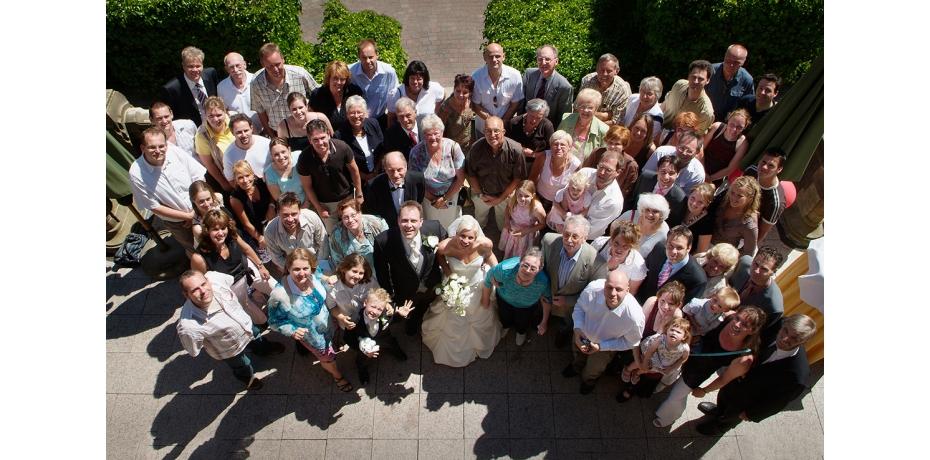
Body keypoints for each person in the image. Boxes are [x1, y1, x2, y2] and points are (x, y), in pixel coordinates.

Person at [694, 314, 817, 436]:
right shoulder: (778, 325)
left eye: (794, 338)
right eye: (785, 330)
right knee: (723, 397)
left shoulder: (797, 376)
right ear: (784, 324)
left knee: (732, 416)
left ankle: (720, 427)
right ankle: (719, 410)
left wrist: (752, 414)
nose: (784, 339)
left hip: (748, 400)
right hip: (736, 380)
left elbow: (776, 403)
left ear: (803, 342)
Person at [653, 305, 766, 427]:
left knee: (675, 397)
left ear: (752, 331)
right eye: (737, 318)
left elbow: (724, 379)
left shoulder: (743, 358)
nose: (737, 325)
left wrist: (704, 390)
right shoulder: (728, 317)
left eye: (745, 325)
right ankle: (663, 384)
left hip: (699, 372)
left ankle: (669, 416)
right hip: (690, 352)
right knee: (668, 372)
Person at [177, 270, 285, 391]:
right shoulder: (188, 325)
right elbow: (193, 349)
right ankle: (247, 379)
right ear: (186, 295)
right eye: (195, 290)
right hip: (228, 348)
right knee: (241, 365)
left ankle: (264, 350)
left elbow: (229, 280)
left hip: (246, 325)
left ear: (207, 280)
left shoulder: (215, 278)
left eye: (203, 284)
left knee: (258, 339)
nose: (203, 291)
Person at [267, 248, 354, 392]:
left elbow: (320, 277)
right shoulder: (279, 295)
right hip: (313, 336)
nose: (302, 273)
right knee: (328, 358)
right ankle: (337, 375)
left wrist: (328, 279)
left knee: (331, 340)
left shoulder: (313, 273)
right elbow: (274, 321)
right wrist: (292, 331)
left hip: (327, 323)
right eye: (296, 269)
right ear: (288, 268)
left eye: (305, 268)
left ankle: (332, 343)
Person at [422, 215, 501, 366]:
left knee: (481, 308)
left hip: (477, 283)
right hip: (455, 284)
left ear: (476, 237)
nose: (465, 241)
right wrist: (449, 274)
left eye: (470, 237)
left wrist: (497, 273)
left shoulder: (485, 244)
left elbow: (490, 256)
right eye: (462, 236)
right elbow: (439, 257)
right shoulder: (446, 246)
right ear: (456, 234)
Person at [373, 201, 449, 335]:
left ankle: (422, 314)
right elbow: (381, 269)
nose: (409, 225)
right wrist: (388, 294)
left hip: (431, 282)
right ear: (398, 220)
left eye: (413, 221)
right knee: (409, 309)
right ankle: (412, 319)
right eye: (404, 221)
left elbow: (448, 244)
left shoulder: (434, 228)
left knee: (427, 302)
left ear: (421, 221)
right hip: (405, 288)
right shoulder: (383, 241)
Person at [562, 270, 644, 395]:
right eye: (609, 287)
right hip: (582, 335)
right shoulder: (593, 289)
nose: (613, 293)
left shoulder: (635, 317)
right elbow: (579, 308)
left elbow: (630, 342)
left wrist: (601, 347)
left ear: (627, 290)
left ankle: (589, 380)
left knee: (594, 369)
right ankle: (576, 367)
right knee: (577, 353)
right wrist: (577, 329)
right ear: (604, 284)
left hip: (605, 348)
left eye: (618, 289)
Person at [129, 127, 206, 257]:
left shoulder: (176, 153)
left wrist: (195, 211)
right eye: (152, 147)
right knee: (196, 251)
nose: (158, 151)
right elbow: (153, 206)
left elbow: (199, 178)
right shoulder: (136, 173)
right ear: (143, 148)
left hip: (202, 209)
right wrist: (188, 217)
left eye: (161, 146)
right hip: (179, 223)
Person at [191, 209, 274, 325]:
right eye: (215, 229)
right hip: (231, 285)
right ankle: (263, 323)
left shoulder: (232, 235)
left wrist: (261, 266)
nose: (220, 233)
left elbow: (246, 249)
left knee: (274, 287)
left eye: (223, 228)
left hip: (246, 269)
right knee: (246, 306)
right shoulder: (199, 257)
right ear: (207, 230)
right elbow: (202, 281)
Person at [540, 215, 609, 348]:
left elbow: (594, 295)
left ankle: (563, 332)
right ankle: (543, 319)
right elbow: (541, 264)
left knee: (565, 323)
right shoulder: (549, 241)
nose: (569, 240)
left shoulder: (597, 262)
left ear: (585, 238)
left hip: (569, 306)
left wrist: (568, 301)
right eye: (566, 234)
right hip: (547, 296)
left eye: (575, 236)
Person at [296, 119, 365, 233]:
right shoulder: (304, 158)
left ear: (328, 134)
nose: (320, 143)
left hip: (347, 197)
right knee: (333, 233)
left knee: (355, 228)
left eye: (323, 137)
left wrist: (359, 193)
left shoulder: (342, 147)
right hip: (326, 203)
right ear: (309, 140)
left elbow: (355, 171)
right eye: (315, 140)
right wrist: (319, 207)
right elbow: (307, 186)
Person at [465, 116, 528, 231]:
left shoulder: (516, 150)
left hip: (505, 194)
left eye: (496, 131)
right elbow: (471, 174)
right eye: (488, 131)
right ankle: (477, 236)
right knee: (479, 217)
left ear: (503, 132)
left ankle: (502, 240)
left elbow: (517, 178)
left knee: (503, 221)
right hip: (482, 193)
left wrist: (501, 198)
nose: (492, 134)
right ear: (483, 132)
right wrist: (480, 195)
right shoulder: (476, 148)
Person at [483, 247, 552, 346]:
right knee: (505, 316)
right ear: (520, 261)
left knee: (523, 322)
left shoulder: (543, 282)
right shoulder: (504, 269)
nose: (527, 271)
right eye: (525, 265)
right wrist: (485, 299)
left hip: (527, 306)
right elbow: (489, 279)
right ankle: (506, 326)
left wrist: (544, 321)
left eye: (533, 268)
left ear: (540, 269)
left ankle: (521, 332)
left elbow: (547, 300)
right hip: (504, 299)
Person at [344, 288, 415, 385]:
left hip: (384, 338)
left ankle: (395, 350)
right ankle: (362, 372)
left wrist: (401, 315)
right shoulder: (354, 320)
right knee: (362, 360)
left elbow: (392, 320)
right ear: (365, 303)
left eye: (379, 309)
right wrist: (363, 350)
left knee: (391, 343)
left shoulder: (385, 313)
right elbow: (348, 338)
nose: (375, 311)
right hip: (365, 345)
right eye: (372, 306)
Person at [408, 114, 466, 230]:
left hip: (451, 194)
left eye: (436, 134)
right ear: (423, 134)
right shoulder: (416, 152)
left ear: (442, 132)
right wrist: (434, 200)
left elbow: (460, 178)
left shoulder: (453, 147)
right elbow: (415, 181)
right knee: (431, 226)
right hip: (428, 197)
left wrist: (444, 199)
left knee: (451, 226)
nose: (433, 137)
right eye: (429, 134)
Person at [251, 42, 320, 137]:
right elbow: (260, 111)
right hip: (278, 133)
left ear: (283, 59)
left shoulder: (300, 74)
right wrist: (272, 136)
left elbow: (319, 96)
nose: (275, 69)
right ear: (262, 64)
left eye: (277, 64)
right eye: (270, 66)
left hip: (307, 131)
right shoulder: (256, 83)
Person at [618, 317, 691, 402]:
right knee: (643, 364)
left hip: (662, 361)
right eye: (672, 330)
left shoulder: (685, 348)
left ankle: (636, 373)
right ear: (667, 330)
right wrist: (645, 362)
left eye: (678, 332)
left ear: (684, 336)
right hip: (652, 352)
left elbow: (683, 359)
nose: (674, 333)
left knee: (651, 370)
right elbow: (650, 351)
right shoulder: (661, 340)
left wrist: (672, 368)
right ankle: (628, 368)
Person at [636, 225, 708, 306]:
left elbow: (686, 307)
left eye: (679, 248)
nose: (673, 251)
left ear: (688, 248)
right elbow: (642, 274)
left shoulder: (697, 279)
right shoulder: (658, 249)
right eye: (671, 246)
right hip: (639, 302)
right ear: (666, 243)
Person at [728, 246, 785, 346]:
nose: (756, 271)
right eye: (756, 264)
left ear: (773, 272)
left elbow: (756, 333)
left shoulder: (773, 305)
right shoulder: (744, 263)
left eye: (764, 269)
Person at [263, 192, 328, 273]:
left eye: (294, 214)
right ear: (278, 213)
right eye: (285, 215)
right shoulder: (270, 231)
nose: (290, 219)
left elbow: (323, 244)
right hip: (294, 270)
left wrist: (317, 268)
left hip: (317, 263)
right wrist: (295, 271)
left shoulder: (312, 218)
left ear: (300, 211)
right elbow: (277, 258)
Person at [471, 42, 524, 133]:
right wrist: (492, 123)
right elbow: (476, 105)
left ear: (503, 56)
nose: (494, 59)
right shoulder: (476, 77)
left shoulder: (515, 76)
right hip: (483, 128)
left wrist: (501, 123)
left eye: (497, 56)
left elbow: (515, 103)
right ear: (485, 58)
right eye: (490, 56)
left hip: (505, 127)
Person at [326, 254, 381, 339]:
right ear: (344, 269)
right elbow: (332, 306)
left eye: (361, 273)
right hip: (349, 323)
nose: (357, 276)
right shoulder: (333, 288)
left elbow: (379, 294)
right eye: (354, 271)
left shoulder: (369, 281)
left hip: (369, 318)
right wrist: (342, 318)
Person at [229, 160, 275, 262]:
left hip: (270, 220)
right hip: (254, 229)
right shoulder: (235, 198)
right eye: (240, 178)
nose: (245, 180)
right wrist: (260, 239)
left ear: (252, 174)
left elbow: (272, 193)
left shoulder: (260, 182)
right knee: (266, 258)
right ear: (235, 179)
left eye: (247, 175)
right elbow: (246, 223)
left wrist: (271, 207)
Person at [366, 151, 427, 227]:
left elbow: (419, 200)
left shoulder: (418, 180)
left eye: (399, 170)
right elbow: (372, 212)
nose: (396, 175)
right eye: (391, 170)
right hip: (387, 228)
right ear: (385, 169)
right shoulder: (373, 185)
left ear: (406, 167)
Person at [160, 46, 218, 126]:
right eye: (190, 66)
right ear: (183, 66)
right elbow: (172, 118)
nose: (195, 70)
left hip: (216, 127)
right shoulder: (172, 89)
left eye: (198, 66)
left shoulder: (211, 74)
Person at [573, 151, 625, 238]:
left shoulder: (614, 202)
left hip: (582, 238)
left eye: (608, 170)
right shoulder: (584, 174)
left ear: (618, 173)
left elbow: (590, 229)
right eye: (600, 167)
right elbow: (563, 196)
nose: (602, 172)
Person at [528, 130, 582, 213]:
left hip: (560, 203)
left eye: (563, 145)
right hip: (538, 198)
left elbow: (576, 189)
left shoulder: (576, 165)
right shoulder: (544, 157)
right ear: (550, 146)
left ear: (569, 147)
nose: (559, 147)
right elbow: (531, 180)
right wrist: (534, 201)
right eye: (555, 144)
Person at [335, 96, 384, 187]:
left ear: (365, 113)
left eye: (359, 112)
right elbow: (342, 164)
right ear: (347, 114)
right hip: (358, 182)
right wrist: (365, 177)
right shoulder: (339, 135)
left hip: (380, 175)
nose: (356, 116)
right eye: (352, 113)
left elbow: (383, 149)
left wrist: (375, 172)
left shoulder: (374, 123)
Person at [349, 39, 399, 129]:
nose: (368, 61)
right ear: (359, 56)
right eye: (364, 57)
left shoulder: (389, 72)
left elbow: (395, 96)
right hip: (358, 122)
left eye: (371, 57)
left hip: (380, 120)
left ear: (377, 54)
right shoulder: (351, 72)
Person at [742, 147, 787, 242]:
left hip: (744, 233)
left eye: (771, 165)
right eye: (763, 162)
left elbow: (762, 231)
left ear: (779, 169)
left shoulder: (776, 202)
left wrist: (747, 249)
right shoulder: (751, 171)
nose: (764, 167)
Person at [521, 44, 574, 126]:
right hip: (526, 124)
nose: (543, 63)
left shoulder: (564, 87)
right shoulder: (529, 74)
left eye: (548, 59)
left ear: (556, 61)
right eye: (540, 59)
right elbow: (522, 101)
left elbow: (562, 117)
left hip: (546, 129)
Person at [329, 197, 388, 268]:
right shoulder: (337, 236)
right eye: (345, 217)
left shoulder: (378, 225)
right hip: (354, 275)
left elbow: (389, 251)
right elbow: (338, 262)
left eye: (353, 215)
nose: (350, 220)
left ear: (360, 213)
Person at [710, 175, 761, 257]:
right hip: (703, 241)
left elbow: (748, 252)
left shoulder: (749, 224)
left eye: (740, 196)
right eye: (732, 192)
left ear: (750, 197)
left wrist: (730, 259)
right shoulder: (723, 200)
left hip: (722, 256)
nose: (733, 197)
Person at [660, 60, 715, 134]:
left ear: (707, 81)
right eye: (693, 77)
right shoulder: (679, 85)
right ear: (689, 77)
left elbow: (696, 137)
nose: (696, 81)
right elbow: (665, 104)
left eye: (700, 79)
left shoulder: (706, 111)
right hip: (658, 130)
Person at [592, 220, 647, 295]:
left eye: (625, 246)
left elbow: (631, 293)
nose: (619, 249)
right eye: (616, 243)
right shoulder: (599, 244)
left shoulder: (638, 266)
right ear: (612, 239)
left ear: (631, 246)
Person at [643, 129, 706, 194]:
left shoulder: (697, 175)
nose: (684, 153)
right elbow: (644, 178)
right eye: (681, 148)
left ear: (697, 152)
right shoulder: (661, 153)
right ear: (677, 144)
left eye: (689, 151)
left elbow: (686, 200)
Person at [195, 96, 236, 193]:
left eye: (218, 115)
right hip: (229, 176)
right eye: (211, 116)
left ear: (225, 112)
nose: (215, 119)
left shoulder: (234, 121)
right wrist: (223, 183)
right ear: (205, 115)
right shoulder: (202, 135)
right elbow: (208, 163)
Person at [557, 88, 608, 165]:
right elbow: (556, 141)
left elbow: (603, 158)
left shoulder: (604, 130)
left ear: (596, 109)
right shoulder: (566, 119)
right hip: (561, 165)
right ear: (578, 107)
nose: (585, 110)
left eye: (590, 107)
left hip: (585, 172)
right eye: (582, 106)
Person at [311, 60, 366, 132]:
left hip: (352, 136)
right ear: (328, 78)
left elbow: (364, 113)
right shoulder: (318, 95)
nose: (339, 82)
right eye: (335, 78)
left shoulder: (354, 92)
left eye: (342, 79)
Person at [610, 192, 670, 257]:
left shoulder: (664, 233)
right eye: (647, 210)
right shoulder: (630, 215)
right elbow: (614, 226)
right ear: (642, 210)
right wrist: (614, 245)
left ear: (661, 213)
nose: (650, 214)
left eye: (655, 211)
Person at [579, 53, 632, 127]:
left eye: (609, 71)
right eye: (601, 70)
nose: (604, 74)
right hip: (582, 126)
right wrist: (606, 115)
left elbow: (616, 122)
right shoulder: (587, 81)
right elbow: (577, 109)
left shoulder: (621, 90)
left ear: (617, 71)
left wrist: (591, 121)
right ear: (597, 69)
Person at [701, 108, 751, 185]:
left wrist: (710, 178)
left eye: (739, 127)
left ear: (745, 126)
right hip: (700, 166)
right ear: (728, 121)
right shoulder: (717, 127)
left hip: (714, 179)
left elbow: (730, 169)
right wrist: (703, 172)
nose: (734, 129)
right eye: (732, 124)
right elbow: (701, 148)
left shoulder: (742, 144)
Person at [683, 286, 741, 353]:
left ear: (725, 310)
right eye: (715, 300)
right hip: (685, 329)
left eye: (719, 306)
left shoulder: (720, 314)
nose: (714, 305)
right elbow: (686, 310)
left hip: (698, 334)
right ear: (714, 294)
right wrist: (695, 325)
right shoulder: (697, 305)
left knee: (697, 352)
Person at [586, 125, 638, 198]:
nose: (612, 147)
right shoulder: (597, 153)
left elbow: (626, 192)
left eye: (617, 144)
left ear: (624, 146)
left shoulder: (631, 165)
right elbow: (586, 174)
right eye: (610, 142)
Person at [705, 45, 754, 123]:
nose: (731, 65)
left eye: (736, 62)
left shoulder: (747, 80)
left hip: (727, 127)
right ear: (724, 57)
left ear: (743, 62)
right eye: (729, 60)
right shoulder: (709, 72)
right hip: (704, 120)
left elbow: (747, 108)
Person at [387, 60, 444, 125]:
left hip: (426, 133)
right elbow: (391, 119)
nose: (415, 82)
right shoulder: (396, 94)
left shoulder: (434, 88)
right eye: (412, 78)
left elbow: (443, 94)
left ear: (424, 79)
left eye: (419, 79)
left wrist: (436, 111)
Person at [500, 180, 547, 259]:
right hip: (513, 228)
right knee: (510, 247)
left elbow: (543, 224)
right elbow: (508, 208)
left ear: (533, 195)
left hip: (528, 233)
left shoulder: (537, 209)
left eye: (526, 196)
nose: (522, 199)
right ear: (516, 194)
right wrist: (507, 222)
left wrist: (525, 231)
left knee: (523, 254)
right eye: (520, 195)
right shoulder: (512, 199)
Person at [666, 182, 717, 254]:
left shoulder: (707, 222)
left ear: (707, 204)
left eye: (700, 202)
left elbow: (701, 251)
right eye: (693, 198)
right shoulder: (681, 203)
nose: (694, 203)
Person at [223, 114, 271, 187]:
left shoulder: (267, 144)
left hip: (271, 184)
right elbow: (231, 179)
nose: (243, 135)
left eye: (246, 130)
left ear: (251, 128)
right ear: (232, 132)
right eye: (239, 132)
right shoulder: (229, 155)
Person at [217, 52, 261, 130]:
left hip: (262, 131)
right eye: (231, 67)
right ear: (226, 69)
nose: (235, 70)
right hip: (239, 134)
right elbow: (223, 111)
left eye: (238, 65)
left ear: (244, 64)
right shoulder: (222, 87)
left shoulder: (257, 80)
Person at [436, 74, 477, 152]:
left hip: (470, 148)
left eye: (465, 92)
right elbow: (439, 130)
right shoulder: (445, 108)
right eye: (458, 91)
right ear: (454, 89)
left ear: (470, 93)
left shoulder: (473, 102)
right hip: (452, 150)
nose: (461, 95)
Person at [508, 98, 555, 165]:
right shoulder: (514, 122)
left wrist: (533, 154)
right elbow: (507, 144)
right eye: (531, 116)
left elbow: (551, 151)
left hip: (538, 163)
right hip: (515, 161)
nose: (534, 121)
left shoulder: (547, 126)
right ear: (527, 111)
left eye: (538, 118)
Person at [265, 138, 306, 206]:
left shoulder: (299, 157)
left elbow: (310, 183)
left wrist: (307, 203)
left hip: (310, 200)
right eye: (276, 154)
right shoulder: (269, 173)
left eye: (283, 152)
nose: (281, 157)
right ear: (271, 155)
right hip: (290, 207)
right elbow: (279, 198)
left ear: (289, 150)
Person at [188, 180, 230, 245]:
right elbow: (208, 249)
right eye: (201, 201)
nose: (207, 204)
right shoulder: (198, 229)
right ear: (193, 200)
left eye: (208, 199)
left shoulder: (218, 198)